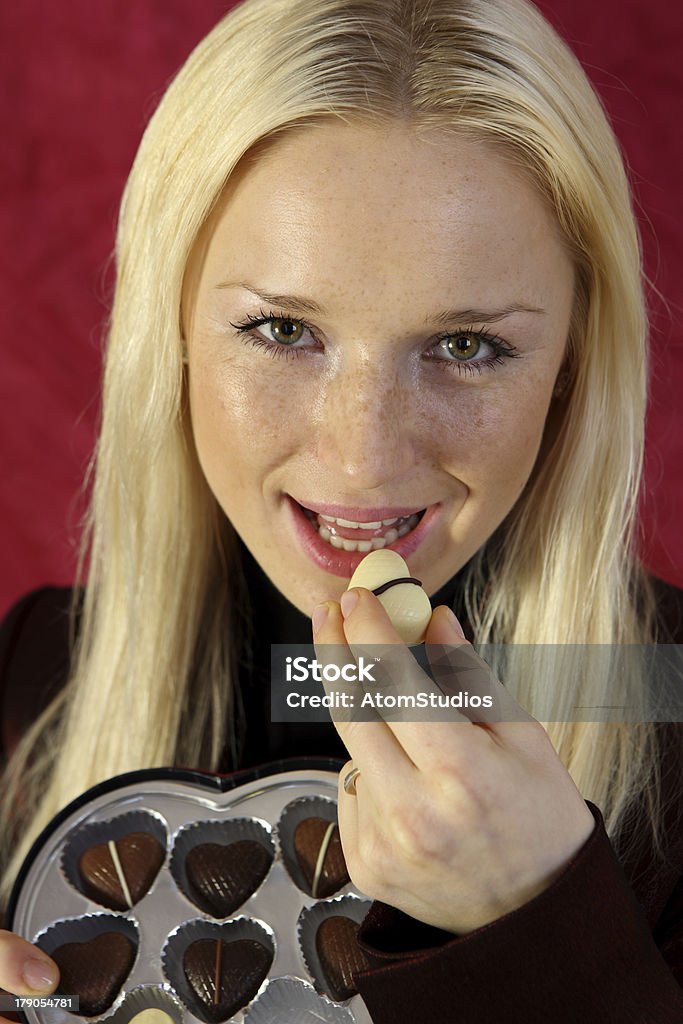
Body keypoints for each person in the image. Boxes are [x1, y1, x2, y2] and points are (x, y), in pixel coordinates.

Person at [1, 0, 683, 1019]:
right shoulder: (30, 674)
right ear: (170, 331)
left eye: (464, 346)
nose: (362, 454)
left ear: (571, 367)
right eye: (281, 329)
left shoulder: (664, 699)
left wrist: (534, 925)